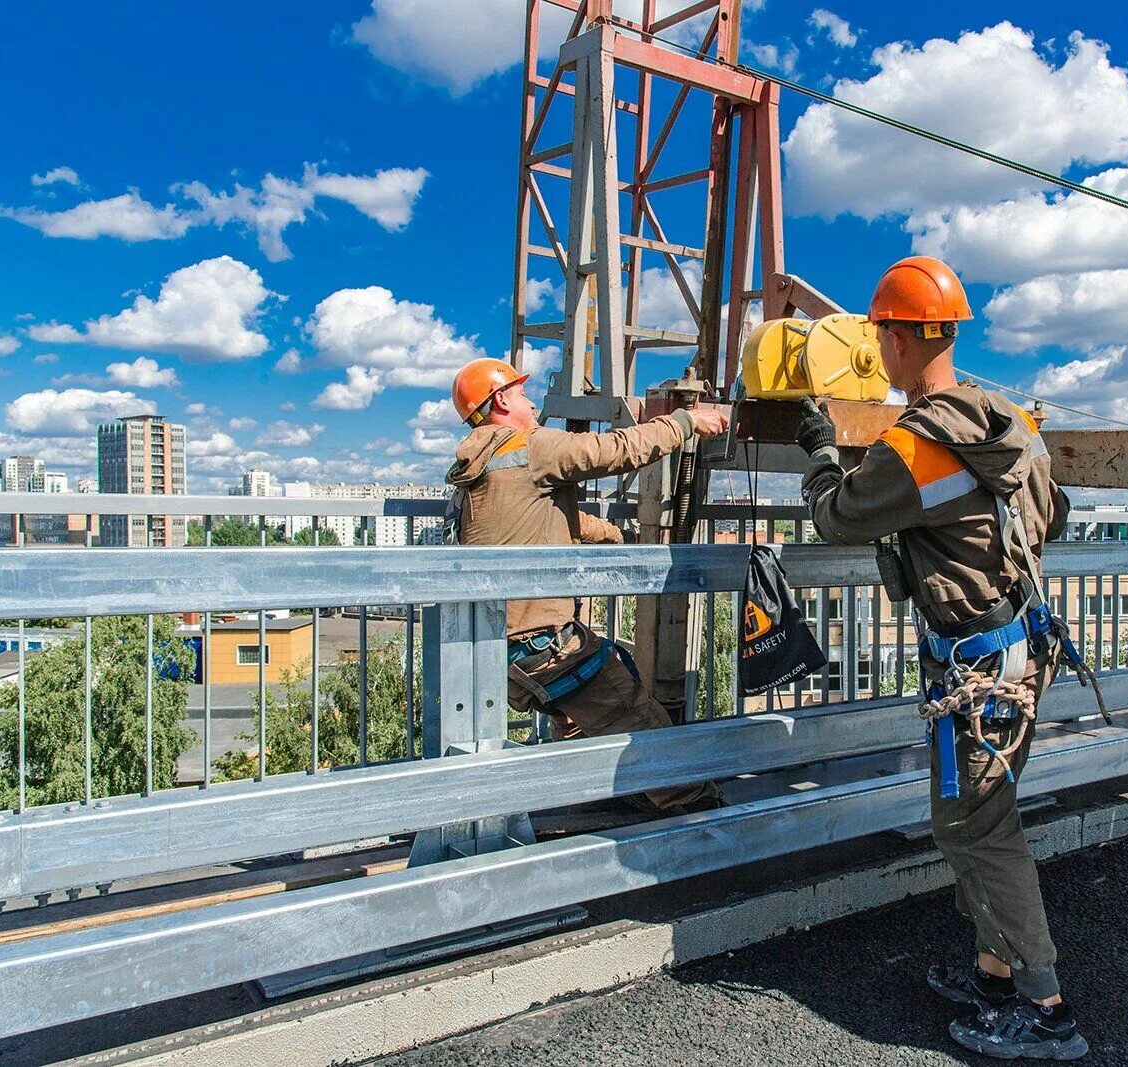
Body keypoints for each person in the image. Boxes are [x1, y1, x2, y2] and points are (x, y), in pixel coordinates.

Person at [795, 257, 1087, 1060]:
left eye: (880, 332)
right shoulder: (1011, 420)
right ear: (950, 331)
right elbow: (1052, 516)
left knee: (979, 831)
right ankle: (994, 973)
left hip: (977, 670)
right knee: (977, 821)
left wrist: (822, 448)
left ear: (892, 338)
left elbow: (838, 517)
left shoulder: (917, 443)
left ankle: (1045, 1006)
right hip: (1017, 648)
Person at [445, 357, 726, 815]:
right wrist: (685, 421)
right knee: (636, 716)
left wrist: (619, 537)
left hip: (499, 652)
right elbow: (614, 449)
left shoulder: (480, 468)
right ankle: (703, 820)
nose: (531, 403)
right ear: (499, 401)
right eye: (520, 394)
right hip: (544, 647)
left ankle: (608, 794)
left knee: (578, 719)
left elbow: (554, 521)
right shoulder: (529, 448)